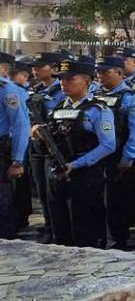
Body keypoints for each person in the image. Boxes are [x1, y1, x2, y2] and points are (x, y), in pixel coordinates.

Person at [37, 59, 116, 248]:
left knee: (85, 226)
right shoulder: (57, 109)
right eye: (62, 79)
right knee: (59, 223)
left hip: (84, 175)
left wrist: (76, 165)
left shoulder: (98, 110)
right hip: (58, 173)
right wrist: (37, 136)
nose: (64, 84)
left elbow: (108, 145)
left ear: (86, 81)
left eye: (70, 79)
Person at [96, 55, 135, 250]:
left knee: (116, 204)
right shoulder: (95, 95)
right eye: (98, 72)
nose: (100, 76)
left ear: (119, 73)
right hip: (97, 157)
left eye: (105, 72)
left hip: (118, 159)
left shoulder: (132, 98)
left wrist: (127, 159)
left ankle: (117, 241)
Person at [26, 52, 65, 241]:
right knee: (42, 190)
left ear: (54, 69)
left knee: (54, 192)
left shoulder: (62, 91)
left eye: (41, 67)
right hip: (37, 145)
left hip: (54, 145)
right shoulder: (35, 90)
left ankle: (59, 229)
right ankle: (49, 226)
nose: (35, 70)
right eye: (34, 66)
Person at [0, 52, 30, 238]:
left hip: (1, 148)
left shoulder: (7, 90)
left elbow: (20, 124)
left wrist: (17, 160)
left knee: (2, 202)